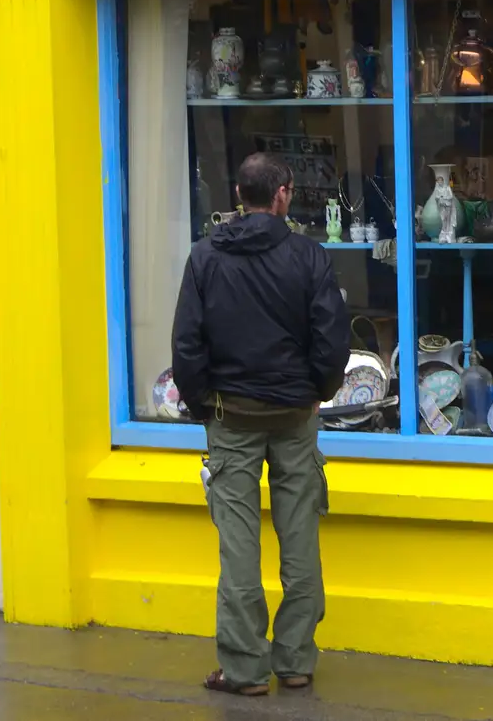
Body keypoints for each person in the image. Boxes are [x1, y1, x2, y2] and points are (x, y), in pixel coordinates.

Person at [171, 153, 350, 696]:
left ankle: (246, 669)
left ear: (238, 194)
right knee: (300, 537)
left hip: (232, 415)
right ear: (283, 194)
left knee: (238, 547)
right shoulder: (308, 256)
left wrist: (204, 404)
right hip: (295, 415)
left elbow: (187, 344)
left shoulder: (205, 258)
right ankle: (295, 660)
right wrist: (318, 392)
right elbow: (331, 339)